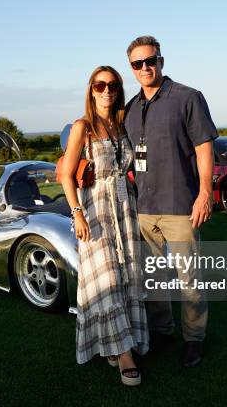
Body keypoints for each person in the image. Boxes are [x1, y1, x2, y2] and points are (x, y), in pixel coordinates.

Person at [124, 35, 218, 368]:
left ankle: (194, 340)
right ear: (132, 69)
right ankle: (163, 332)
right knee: (153, 278)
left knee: (189, 280)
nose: (145, 67)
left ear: (161, 61)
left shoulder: (187, 98)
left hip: (181, 205)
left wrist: (205, 193)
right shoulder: (131, 109)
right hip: (144, 209)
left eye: (151, 61)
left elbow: (204, 147)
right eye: (138, 64)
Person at [58, 65, 149, 386]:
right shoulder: (83, 127)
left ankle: (117, 344)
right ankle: (125, 355)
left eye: (112, 85)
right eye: (99, 85)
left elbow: (138, 164)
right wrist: (77, 213)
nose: (106, 90)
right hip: (94, 209)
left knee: (128, 273)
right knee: (107, 277)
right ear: (91, 89)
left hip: (125, 206)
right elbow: (66, 175)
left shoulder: (124, 125)